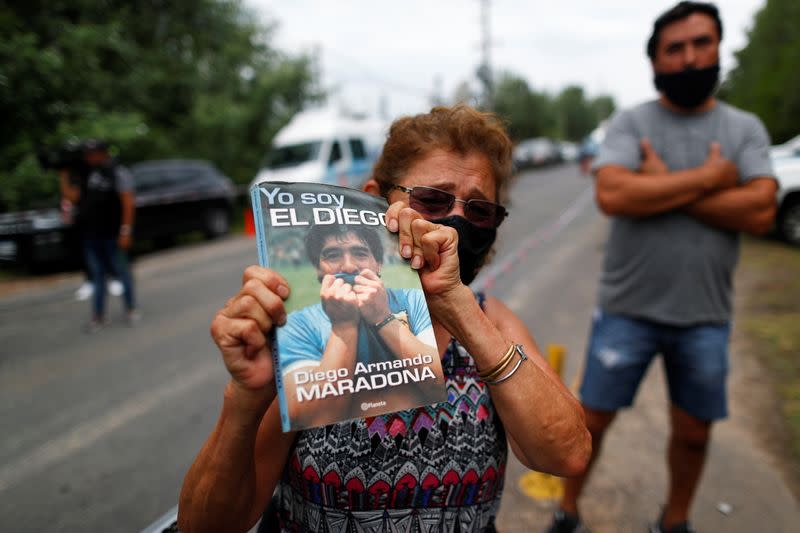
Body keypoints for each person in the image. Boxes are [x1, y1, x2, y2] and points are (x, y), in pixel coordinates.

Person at [178, 104, 591, 533]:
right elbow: (204, 526)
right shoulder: (307, 326)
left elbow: (567, 455)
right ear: (377, 199)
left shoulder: (491, 325)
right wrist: (245, 399)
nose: (455, 225)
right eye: (433, 199)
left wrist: (457, 306)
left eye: (479, 211)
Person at [547, 3, 778, 533]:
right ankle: (568, 510)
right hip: (628, 307)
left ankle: (674, 522)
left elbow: (762, 210)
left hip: (706, 313)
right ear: (654, 60)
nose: (690, 56)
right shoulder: (632, 122)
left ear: (719, 48)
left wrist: (664, 183)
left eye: (702, 43)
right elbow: (613, 192)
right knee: (594, 420)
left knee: (695, 430)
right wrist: (715, 179)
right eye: (675, 48)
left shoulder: (744, 127)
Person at [278, 223, 442, 427]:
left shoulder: (414, 300)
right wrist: (343, 326)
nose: (348, 267)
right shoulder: (297, 325)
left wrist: (383, 317)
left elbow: (436, 384)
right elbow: (315, 416)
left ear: (379, 264)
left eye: (360, 253)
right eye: (332, 255)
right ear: (318, 269)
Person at [59, 140, 139, 332]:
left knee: (122, 271)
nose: (88, 157)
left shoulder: (117, 172)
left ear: (102, 153)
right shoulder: (84, 174)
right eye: (86, 153)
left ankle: (130, 309)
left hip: (113, 234)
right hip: (91, 235)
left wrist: (125, 231)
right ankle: (98, 315)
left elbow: (128, 203)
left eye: (92, 153)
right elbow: (72, 197)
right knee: (97, 275)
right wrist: (63, 175)